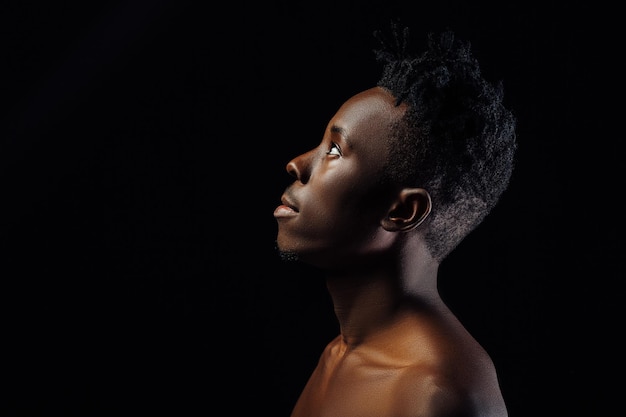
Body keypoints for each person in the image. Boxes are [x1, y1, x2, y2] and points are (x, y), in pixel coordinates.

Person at [273, 23, 517, 417]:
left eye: (334, 150)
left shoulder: (441, 395)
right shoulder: (338, 354)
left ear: (402, 211)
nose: (297, 164)